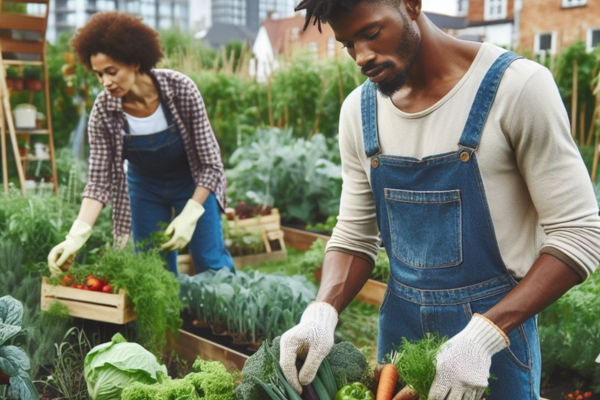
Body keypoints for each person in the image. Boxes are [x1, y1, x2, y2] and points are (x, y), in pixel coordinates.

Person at [279, 1, 600, 399]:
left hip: (491, 348)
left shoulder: (516, 88)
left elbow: (580, 235)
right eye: (347, 44)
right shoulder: (358, 113)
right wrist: (322, 311)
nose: (361, 56)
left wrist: (483, 337)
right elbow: (354, 236)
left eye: (371, 33)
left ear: (411, 5)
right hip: (400, 344)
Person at [47, 12, 234, 276]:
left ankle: (222, 316)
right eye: (99, 74)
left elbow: (210, 163)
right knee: (152, 267)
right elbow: (100, 182)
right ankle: (165, 318)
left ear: (135, 62)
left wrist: (191, 212)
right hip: (145, 187)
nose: (105, 82)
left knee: (209, 259)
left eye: (112, 72)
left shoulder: (181, 90)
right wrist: (75, 237)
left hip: (192, 180)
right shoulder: (103, 111)